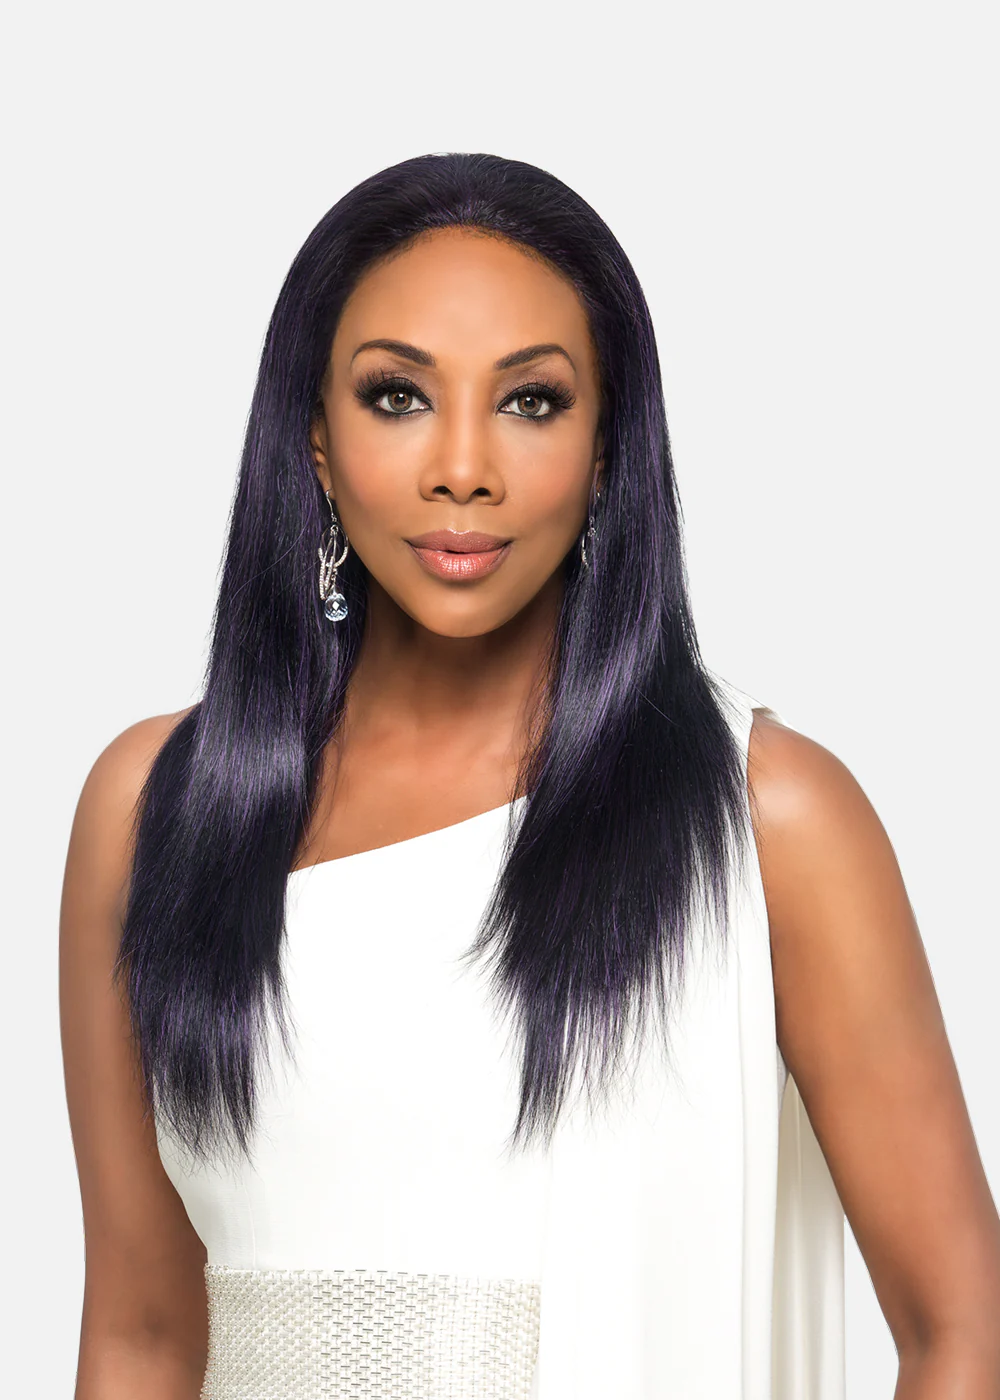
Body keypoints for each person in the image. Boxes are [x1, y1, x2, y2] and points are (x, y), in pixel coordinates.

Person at [60, 153, 1000, 1400]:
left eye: (531, 401)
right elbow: (141, 1334)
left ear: (608, 447)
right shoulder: (158, 807)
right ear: (316, 444)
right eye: (398, 395)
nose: (463, 466)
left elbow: (961, 1329)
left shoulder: (771, 818)